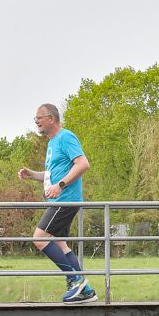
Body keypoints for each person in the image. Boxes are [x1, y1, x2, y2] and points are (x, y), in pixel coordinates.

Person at [18, 104, 97, 304]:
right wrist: (33, 175)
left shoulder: (66, 137)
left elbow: (83, 164)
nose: (36, 122)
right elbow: (52, 175)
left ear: (51, 118)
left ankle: (75, 279)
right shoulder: (53, 142)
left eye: (39, 118)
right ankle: (86, 291)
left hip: (65, 200)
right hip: (59, 199)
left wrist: (61, 186)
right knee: (60, 244)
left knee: (40, 238)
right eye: (35, 118)